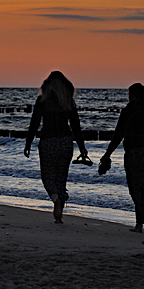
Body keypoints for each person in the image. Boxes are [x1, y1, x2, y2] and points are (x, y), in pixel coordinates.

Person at [99, 83, 144, 234]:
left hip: (133, 153)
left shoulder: (127, 111)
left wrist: (107, 154)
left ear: (132, 95)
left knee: (134, 190)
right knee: (141, 189)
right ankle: (139, 225)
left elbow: (118, 135)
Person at [23, 71, 89, 223]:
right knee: (61, 179)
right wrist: (82, 147)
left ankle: (55, 199)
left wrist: (28, 143)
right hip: (66, 142)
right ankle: (59, 215)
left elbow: (34, 123)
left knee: (48, 176)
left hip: (48, 141)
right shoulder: (68, 102)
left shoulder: (42, 101)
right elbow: (76, 127)